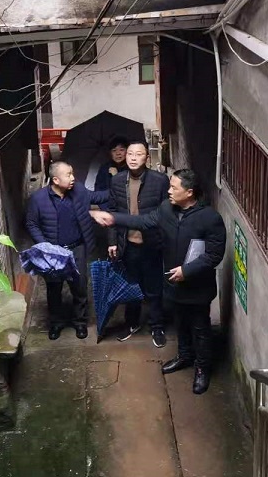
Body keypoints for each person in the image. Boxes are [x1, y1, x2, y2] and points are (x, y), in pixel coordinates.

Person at [90, 169, 226, 395]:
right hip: (173, 282)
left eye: (174, 187)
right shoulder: (166, 209)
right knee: (180, 323)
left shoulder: (210, 218)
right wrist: (114, 218)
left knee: (200, 328)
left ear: (189, 192)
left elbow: (214, 255)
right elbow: (143, 221)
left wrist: (187, 271)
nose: (169, 191)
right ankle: (184, 356)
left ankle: (202, 368)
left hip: (197, 287)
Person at [26, 161, 109, 341]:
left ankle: (80, 322)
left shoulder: (78, 190)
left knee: (80, 287)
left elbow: (97, 197)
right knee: (54, 289)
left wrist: (121, 184)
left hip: (77, 248)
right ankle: (56, 323)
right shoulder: (38, 199)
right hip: (53, 253)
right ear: (56, 180)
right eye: (68, 175)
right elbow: (32, 224)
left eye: (72, 173)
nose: (73, 178)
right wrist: (45, 246)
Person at [106, 141, 170, 347]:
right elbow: (112, 212)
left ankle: (157, 326)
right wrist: (112, 241)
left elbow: (167, 212)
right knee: (130, 286)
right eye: (130, 154)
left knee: (154, 287)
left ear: (147, 158)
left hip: (152, 244)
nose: (133, 158)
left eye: (138, 154)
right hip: (127, 244)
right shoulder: (117, 180)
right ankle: (131, 323)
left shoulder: (160, 180)